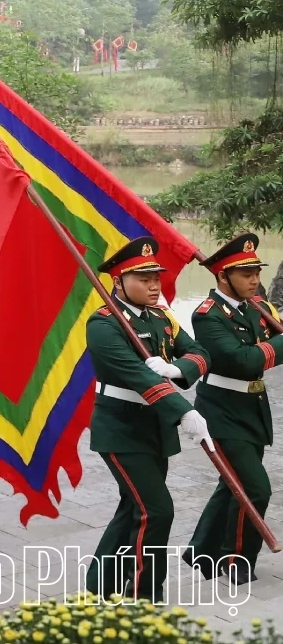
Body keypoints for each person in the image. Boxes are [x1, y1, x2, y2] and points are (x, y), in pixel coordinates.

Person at [84, 237, 211, 602]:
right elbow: (138, 378)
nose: (155, 285)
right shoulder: (104, 324)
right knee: (156, 511)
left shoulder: (161, 318)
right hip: (121, 429)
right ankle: (144, 594)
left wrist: (177, 367)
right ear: (118, 282)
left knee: (133, 508)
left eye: (157, 277)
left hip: (154, 428)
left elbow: (199, 353)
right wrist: (184, 410)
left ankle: (99, 586)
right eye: (145, 279)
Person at [186, 234, 283, 584]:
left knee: (233, 483)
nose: (254, 279)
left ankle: (201, 551)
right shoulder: (207, 315)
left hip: (252, 408)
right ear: (222, 277)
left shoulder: (255, 305)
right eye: (245, 273)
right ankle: (236, 560)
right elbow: (241, 361)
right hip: (221, 411)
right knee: (255, 487)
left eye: (256, 271)